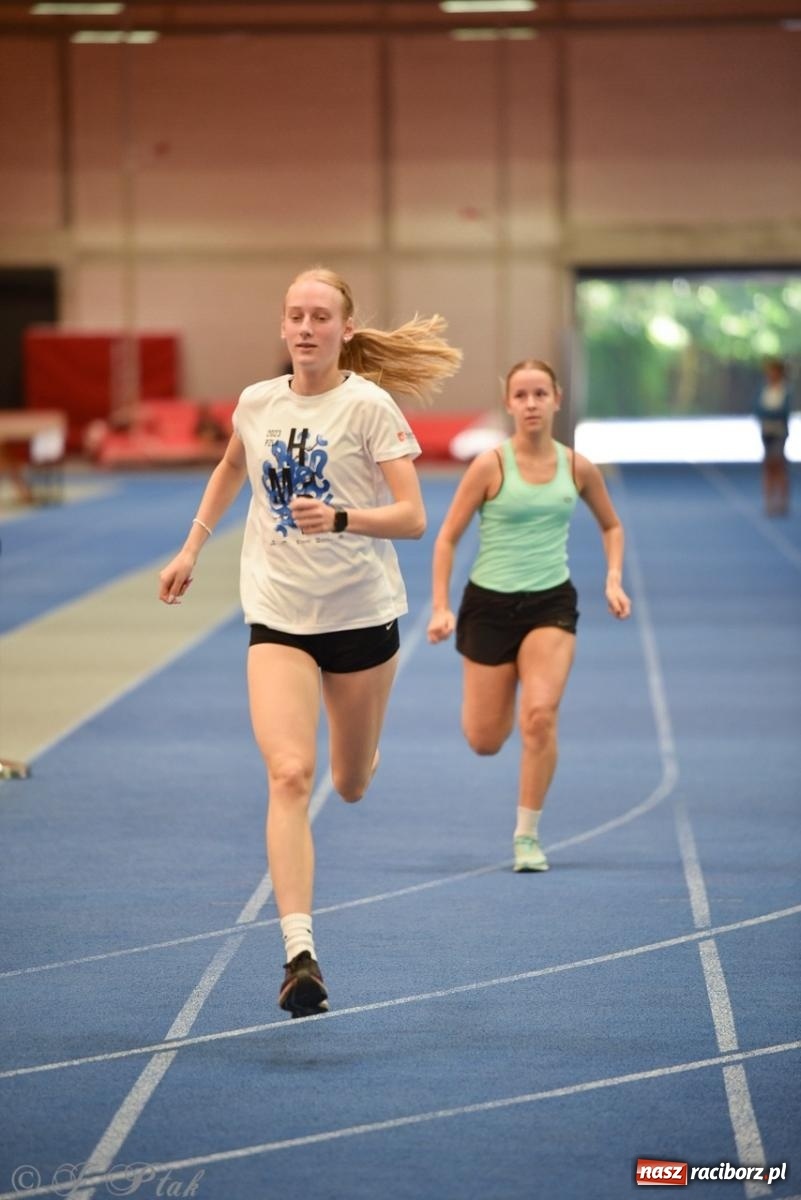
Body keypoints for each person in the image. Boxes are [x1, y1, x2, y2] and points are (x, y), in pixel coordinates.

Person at [158, 267, 461, 1018]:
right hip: (279, 616)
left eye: (319, 315)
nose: (304, 327)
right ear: (283, 325)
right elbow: (232, 466)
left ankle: (360, 756)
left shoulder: (368, 406)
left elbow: (414, 516)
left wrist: (344, 518)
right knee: (291, 774)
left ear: (343, 330)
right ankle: (299, 955)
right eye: (294, 314)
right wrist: (192, 547)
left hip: (360, 619)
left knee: (349, 782)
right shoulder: (256, 403)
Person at [427, 359, 630, 873]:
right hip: (489, 608)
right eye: (522, 395)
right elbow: (447, 536)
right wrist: (441, 607)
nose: (532, 403)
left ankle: (527, 836)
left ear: (557, 399)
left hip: (550, 604)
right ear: (509, 402)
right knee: (485, 740)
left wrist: (612, 578)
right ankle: (504, 684)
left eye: (541, 393)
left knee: (539, 717)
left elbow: (612, 526)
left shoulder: (577, 467)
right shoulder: (489, 466)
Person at [754, 357, 792, 516]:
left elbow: (783, 412)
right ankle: (769, 502)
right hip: (766, 431)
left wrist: (771, 414)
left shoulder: (785, 391)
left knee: (779, 465)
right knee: (768, 466)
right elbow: (758, 409)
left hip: (779, 432)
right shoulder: (764, 390)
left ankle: (782, 502)